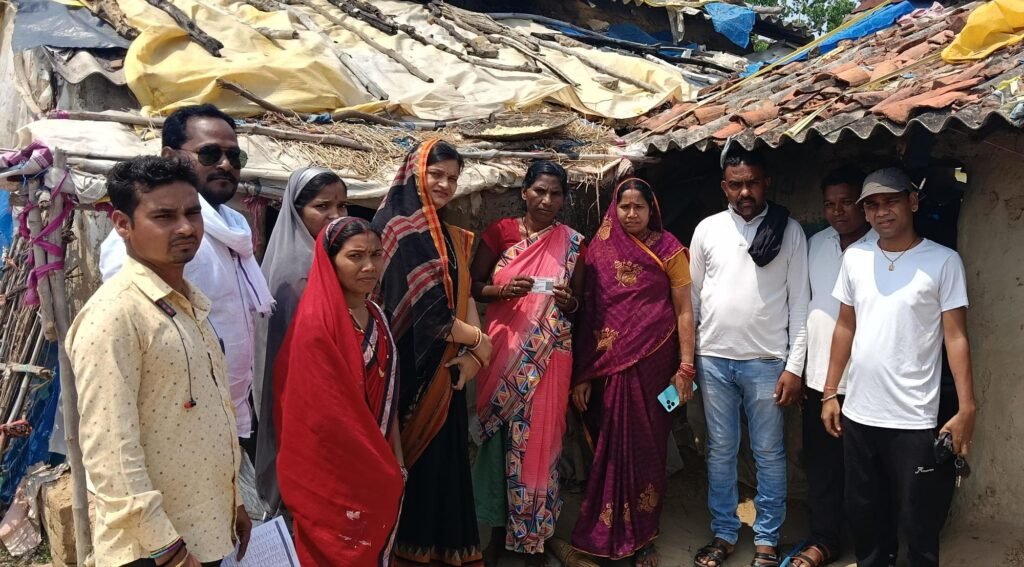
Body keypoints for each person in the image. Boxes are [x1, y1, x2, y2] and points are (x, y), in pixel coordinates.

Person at [68, 156, 250, 567]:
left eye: (192, 213)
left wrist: (233, 501)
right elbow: (110, 451)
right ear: (122, 224)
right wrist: (168, 552)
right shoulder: (115, 315)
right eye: (164, 216)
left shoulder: (189, 303)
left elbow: (206, 418)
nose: (186, 228)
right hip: (154, 547)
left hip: (205, 528)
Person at [821, 168, 977, 567]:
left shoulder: (942, 262)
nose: (881, 212)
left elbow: (955, 337)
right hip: (860, 413)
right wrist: (830, 392)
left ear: (913, 202)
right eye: (872, 205)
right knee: (865, 512)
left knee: (919, 518)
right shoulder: (856, 258)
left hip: (914, 416)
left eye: (890, 201)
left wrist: (966, 408)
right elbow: (845, 325)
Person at [99, 104, 274, 453]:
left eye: (234, 156)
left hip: (231, 407)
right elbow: (129, 335)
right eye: (209, 154)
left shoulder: (234, 228)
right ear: (170, 157)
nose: (225, 164)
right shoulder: (150, 241)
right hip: (176, 425)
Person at [371, 140, 493, 566]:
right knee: (416, 468)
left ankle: (443, 555)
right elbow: (429, 315)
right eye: (436, 174)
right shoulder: (395, 227)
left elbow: (464, 293)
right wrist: (479, 341)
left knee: (445, 464)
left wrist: (475, 356)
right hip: (410, 370)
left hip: (450, 370)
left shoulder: (443, 231)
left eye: (452, 178)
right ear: (415, 172)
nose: (444, 184)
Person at [690, 149, 808, 567]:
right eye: (736, 184)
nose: (745, 192)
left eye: (752, 183)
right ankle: (724, 532)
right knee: (720, 449)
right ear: (724, 187)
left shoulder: (788, 231)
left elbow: (800, 303)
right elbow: (693, 298)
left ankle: (767, 538)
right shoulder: (707, 229)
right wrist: (689, 357)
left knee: (769, 452)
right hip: (712, 359)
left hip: (767, 361)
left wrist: (794, 366)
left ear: (766, 183)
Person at [571, 178, 695, 567]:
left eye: (639, 206)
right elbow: (591, 313)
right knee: (608, 448)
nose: (631, 214)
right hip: (607, 366)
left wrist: (686, 367)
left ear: (651, 209)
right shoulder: (599, 250)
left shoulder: (670, 249)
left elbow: (684, 310)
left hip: (656, 364)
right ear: (615, 208)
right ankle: (604, 531)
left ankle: (644, 536)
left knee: (648, 448)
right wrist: (584, 373)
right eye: (624, 206)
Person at [469, 161, 585, 566]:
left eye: (555, 193)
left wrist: (569, 301)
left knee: (541, 443)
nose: (546, 200)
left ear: (563, 199)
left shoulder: (573, 243)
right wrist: (502, 291)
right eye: (539, 191)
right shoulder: (500, 233)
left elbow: (579, 304)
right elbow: (473, 286)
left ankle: (534, 536)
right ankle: (497, 534)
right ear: (524, 192)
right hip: (505, 351)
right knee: (499, 444)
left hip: (550, 356)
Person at [274, 217, 404, 566]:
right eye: (355, 256)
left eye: (376, 255)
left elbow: (389, 395)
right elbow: (322, 416)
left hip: (378, 459)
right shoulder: (317, 324)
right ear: (330, 261)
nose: (369, 266)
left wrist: (396, 460)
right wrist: (374, 462)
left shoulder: (376, 315)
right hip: (334, 471)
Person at [791, 167, 877, 567]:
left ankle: (871, 544)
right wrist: (799, 369)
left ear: (863, 204)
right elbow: (806, 308)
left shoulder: (883, 247)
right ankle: (824, 539)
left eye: (846, 203)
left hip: (867, 381)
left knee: (867, 469)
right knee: (822, 465)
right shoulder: (816, 244)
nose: (838, 212)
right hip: (820, 379)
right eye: (829, 204)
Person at [253, 166, 348, 517]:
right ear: (297, 211)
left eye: (342, 205)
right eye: (322, 207)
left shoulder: (329, 261)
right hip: (299, 396)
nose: (335, 215)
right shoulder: (296, 272)